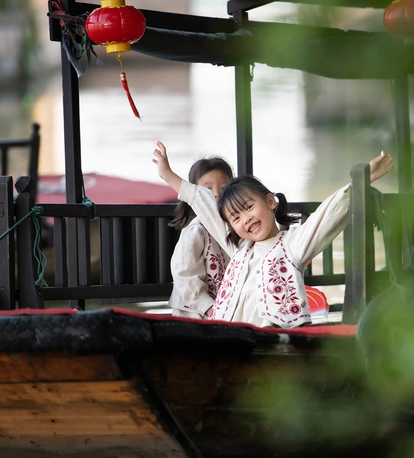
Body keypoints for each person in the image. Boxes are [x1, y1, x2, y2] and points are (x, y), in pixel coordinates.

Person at [152, 140, 393, 328]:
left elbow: (326, 216)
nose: (245, 219)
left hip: (272, 340)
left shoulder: (292, 245)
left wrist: (361, 181)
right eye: (235, 218)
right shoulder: (238, 247)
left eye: (249, 207)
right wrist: (167, 174)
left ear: (270, 201)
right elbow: (202, 200)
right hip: (227, 337)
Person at [167, 157, 233, 320]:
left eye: (224, 189)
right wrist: (210, 308)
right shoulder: (195, 231)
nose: (217, 194)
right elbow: (185, 275)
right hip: (194, 313)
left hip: (224, 312)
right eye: (208, 190)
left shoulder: (236, 228)